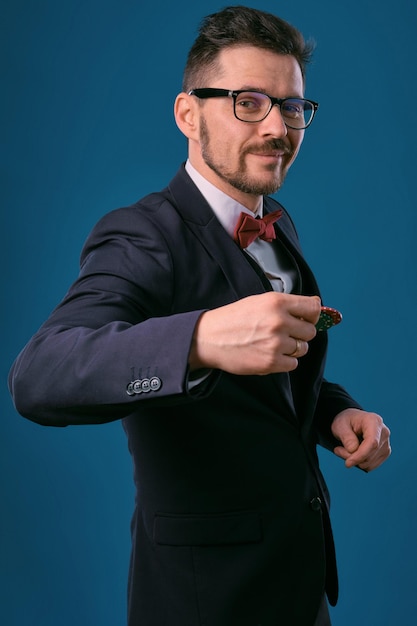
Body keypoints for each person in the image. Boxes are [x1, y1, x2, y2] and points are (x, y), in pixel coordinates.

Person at [8, 5, 391, 626]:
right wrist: (200, 338)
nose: (277, 127)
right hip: (202, 601)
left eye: (291, 106)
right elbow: (39, 377)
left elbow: (271, 387)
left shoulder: (276, 221)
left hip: (300, 585)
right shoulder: (140, 236)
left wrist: (334, 412)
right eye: (248, 101)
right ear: (189, 114)